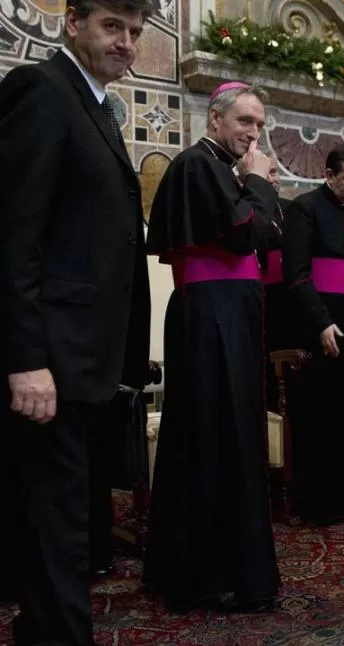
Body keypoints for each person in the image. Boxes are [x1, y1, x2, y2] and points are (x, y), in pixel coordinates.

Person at [0, 0, 153, 642]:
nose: (126, 43)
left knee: (62, 519)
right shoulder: (42, 89)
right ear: (73, 24)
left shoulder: (93, 103)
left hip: (85, 357)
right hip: (51, 359)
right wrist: (25, 358)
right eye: (112, 27)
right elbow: (13, 236)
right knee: (56, 522)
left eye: (136, 33)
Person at [143, 81, 280, 612]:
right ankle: (208, 573)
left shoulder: (220, 169)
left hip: (226, 312)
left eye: (260, 124)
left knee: (229, 434)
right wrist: (259, 182)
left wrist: (251, 185)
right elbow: (247, 232)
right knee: (214, 436)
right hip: (212, 316)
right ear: (214, 121)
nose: (253, 133)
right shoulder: (201, 165)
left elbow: (265, 235)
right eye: (244, 121)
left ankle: (217, 565)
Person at [283, 143, 344, 523]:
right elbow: (297, 274)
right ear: (329, 175)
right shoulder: (304, 208)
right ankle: (321, 504)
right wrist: (321, 321)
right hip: (320, 322)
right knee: (323, 415)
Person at [257, 155, 295, 411]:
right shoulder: (249, 207)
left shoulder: (291, 209)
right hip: (260, 299)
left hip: (290, 299)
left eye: (275, 172)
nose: (273, 179)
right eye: (267, 173)